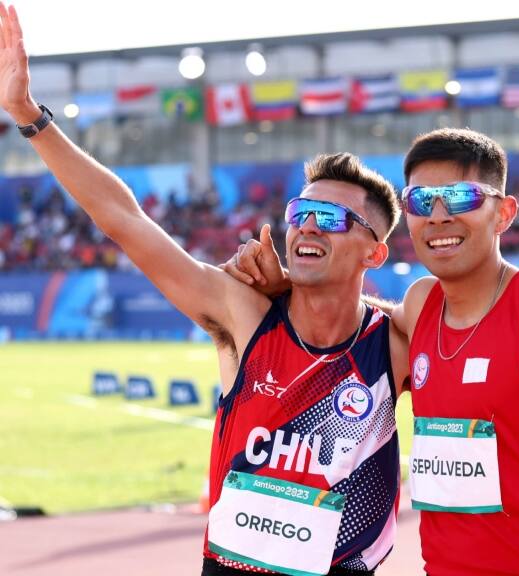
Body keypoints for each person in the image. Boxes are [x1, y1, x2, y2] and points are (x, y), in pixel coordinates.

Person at [0, 6, 409, 576]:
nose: (310, 225)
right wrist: (29, 117)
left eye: (334, 218)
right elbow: (126, 219)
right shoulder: (242, 311)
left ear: (375, 252)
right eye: (302, 210)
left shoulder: (395, 342)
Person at [225, 128, 519, 575]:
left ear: (504, 213)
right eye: (420, 201)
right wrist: (293, 285)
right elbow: (346, 313)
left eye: (459, 198)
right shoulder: (419, 306)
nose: (437, 217)